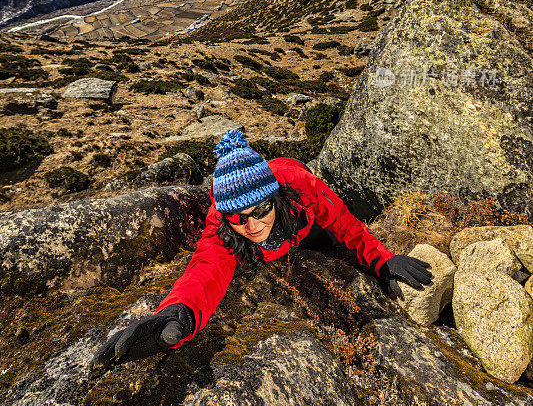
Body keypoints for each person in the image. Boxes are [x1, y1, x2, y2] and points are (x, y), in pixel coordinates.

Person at [90, 130, 433, 371]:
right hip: (265, 244)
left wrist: (382, 260)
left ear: (276, 199)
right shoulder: (222, 224)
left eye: (261, 211)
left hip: (305, 233)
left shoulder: (301, 186)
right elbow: (207, 266)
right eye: (239, 218)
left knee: (332, 244)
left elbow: (345, 224)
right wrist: (181, 313)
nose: (252, 226)